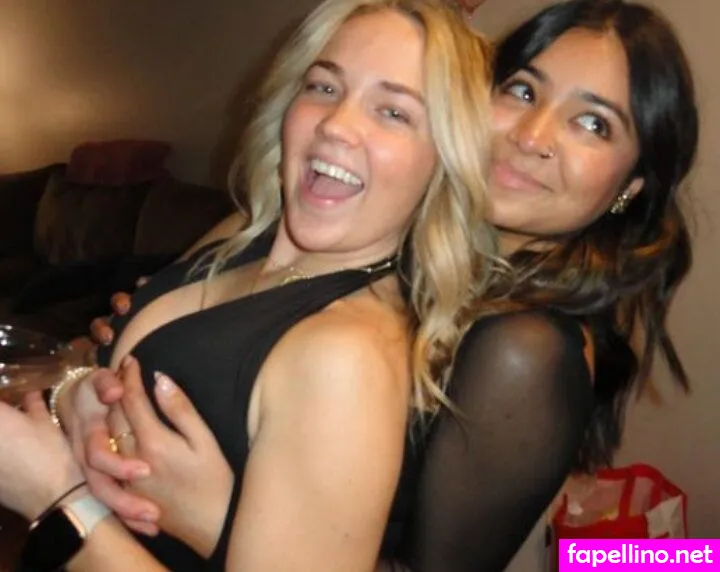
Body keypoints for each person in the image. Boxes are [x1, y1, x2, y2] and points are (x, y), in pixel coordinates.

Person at [57, 0, 701, 570]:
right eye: (524, 91)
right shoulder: (371, 243)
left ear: (630, 186)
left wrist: (217, 515)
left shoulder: (524, 348)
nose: (533, 137)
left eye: (594, 124)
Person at [0, 1, 495, 571]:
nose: (336, 124)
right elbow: (101, 354)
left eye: (394, 112)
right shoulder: (245, 235)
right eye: (324, 87)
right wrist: (78, 389)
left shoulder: (346, 357)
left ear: (444, 162)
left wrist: (55, 496)